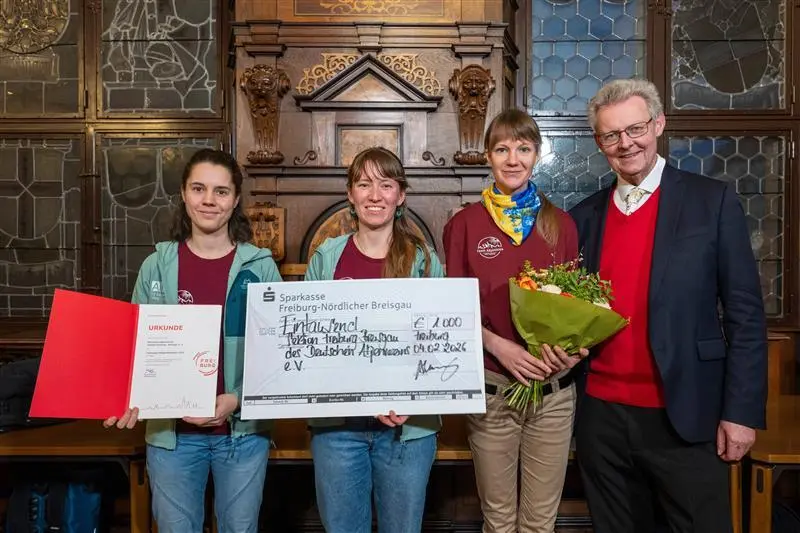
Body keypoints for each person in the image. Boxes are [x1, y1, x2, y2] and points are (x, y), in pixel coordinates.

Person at [569, 78, 768, 533]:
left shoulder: (711, 201)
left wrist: (740, 413)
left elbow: (745, 316)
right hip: (601, 416)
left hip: (686, 412)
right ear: (600, 143)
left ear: (658, 124)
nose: (626, 143)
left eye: (635, 128)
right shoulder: (584, 217)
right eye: (611, 135)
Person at [103, 148, 282, 532]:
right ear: (184, 194)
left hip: (242, 435)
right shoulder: (157, 265)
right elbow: (135, 347)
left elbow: (277, 355)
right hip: (172, 436)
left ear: (235, 200)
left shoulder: (260, 266)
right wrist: (126, 398)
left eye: (220, 192)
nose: (208, 200)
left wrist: (237, 399)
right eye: (199, 188)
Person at [443, 108, 587, 533]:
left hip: (554, 394)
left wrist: (573, 351)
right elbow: (451, 311)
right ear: (488, 156)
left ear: (536, 154)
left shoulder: (560, 224)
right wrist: (496, 344)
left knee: (540, 523)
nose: (512, 159)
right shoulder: (464, 225)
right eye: (502, 149)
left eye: (523, 148)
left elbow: (577, 309)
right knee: (500, 521)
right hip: (493, 392)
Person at [304, 146, 444, 533]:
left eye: (386, 184)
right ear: (350, 194)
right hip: (337, 428)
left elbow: (434, 345)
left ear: (401, 196)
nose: (375, 195)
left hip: (407, 427)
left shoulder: (424, 260)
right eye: (364, 184)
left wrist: (404, 397)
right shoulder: (326, 258)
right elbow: (312, 343)